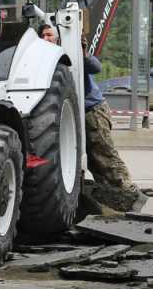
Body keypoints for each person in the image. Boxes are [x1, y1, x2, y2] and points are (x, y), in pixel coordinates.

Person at [38, 23, 143, 212]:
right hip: (78, 114)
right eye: (43, 35)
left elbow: (95, 66)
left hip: (92, 111)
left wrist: (83, 53)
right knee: (95, 163)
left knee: (105, 157)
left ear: (58, 37)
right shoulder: (45, 58)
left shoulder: (69, 52)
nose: (46, 39)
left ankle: (131, 197)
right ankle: (115, 201)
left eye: (49, 35)